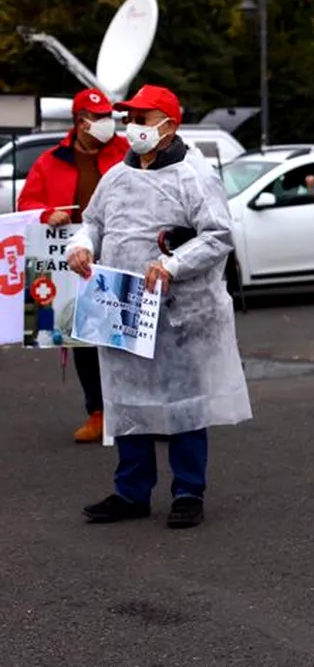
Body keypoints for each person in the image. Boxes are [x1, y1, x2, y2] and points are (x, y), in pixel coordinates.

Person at [66, 85, 253, 529]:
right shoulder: (117, 176)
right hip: (122, 303)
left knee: (183, 401)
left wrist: (172, 264)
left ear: (170, 124)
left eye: (143, 119)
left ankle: (188, 492)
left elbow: (218, 236)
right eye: (130, 118)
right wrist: (81, 244)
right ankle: (131, 491)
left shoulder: (194, 176)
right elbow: (93, 221)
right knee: (126, 399)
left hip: (178, 312)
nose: (133, 128)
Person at [18, 88, 129, 443]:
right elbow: (28, 202)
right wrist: (49, 214)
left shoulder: (125, 153)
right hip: (73, 262)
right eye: (98, 118)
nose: (106, 124)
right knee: (82, 338)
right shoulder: (51, 160)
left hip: (120, 253)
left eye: (108, 117)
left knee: (128, 336)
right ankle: (97, 413)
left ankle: (137, 412)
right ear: (80, 123)